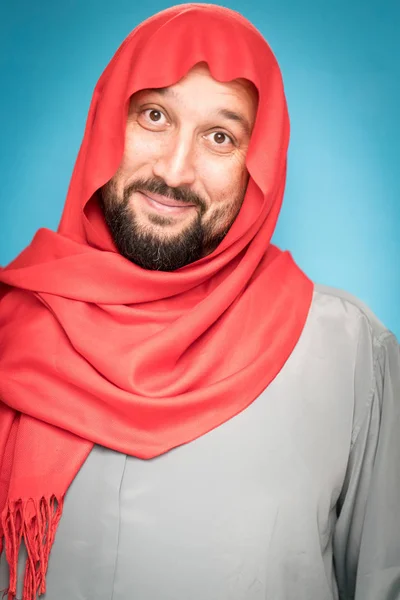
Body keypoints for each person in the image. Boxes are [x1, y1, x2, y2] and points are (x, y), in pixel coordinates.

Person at [0, 3, 399, 600]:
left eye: (220, 136)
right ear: (109, 123)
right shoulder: (12, 326)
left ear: (258, 165)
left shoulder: (348, 354)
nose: (176, 170)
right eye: (154, 115)